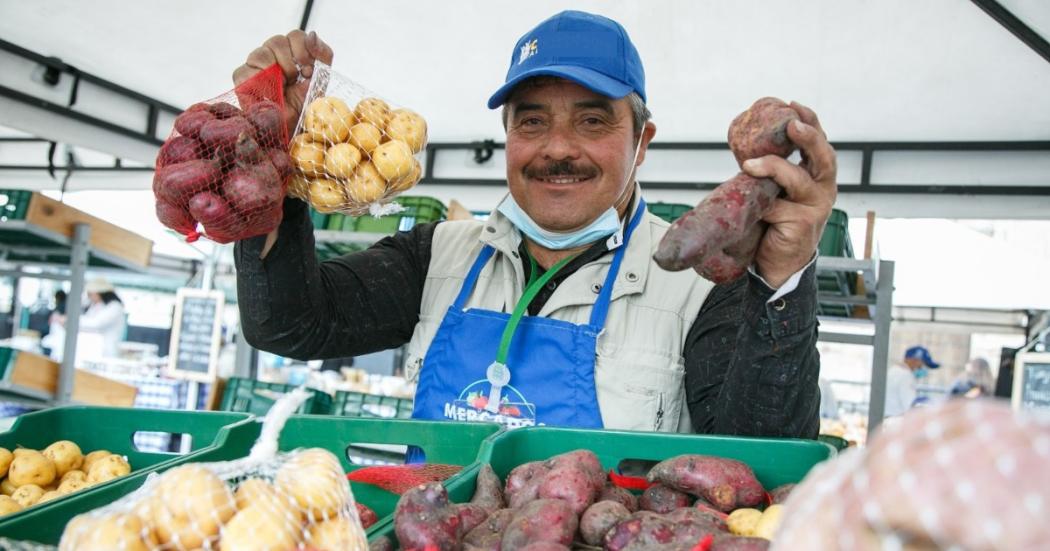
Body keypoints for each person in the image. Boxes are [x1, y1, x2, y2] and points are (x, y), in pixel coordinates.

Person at [231, 10, 837, 436]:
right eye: (532, 121)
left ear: (642, 142)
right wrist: (271, 167)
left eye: (594, 121)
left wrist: (782, 279)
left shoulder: (703, 285)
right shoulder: (436, 255)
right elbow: (289, 325)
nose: (558, 148)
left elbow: (759, 453)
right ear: (507, 136)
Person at [53, 278, 126, 359]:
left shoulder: (114, 307)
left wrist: (70, 320)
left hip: (106, 352)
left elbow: (96, 324)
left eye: (90, 294)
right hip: (90, 350)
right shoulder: (95, 306)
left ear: (100, 293)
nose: (89, 296)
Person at [884, 345, 939, 417]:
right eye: (923, 364)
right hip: (896, 420)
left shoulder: (893, 370)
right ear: (914, 360)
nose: (924, 368)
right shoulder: (906, 376)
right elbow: (910, 406)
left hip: (886, 418)